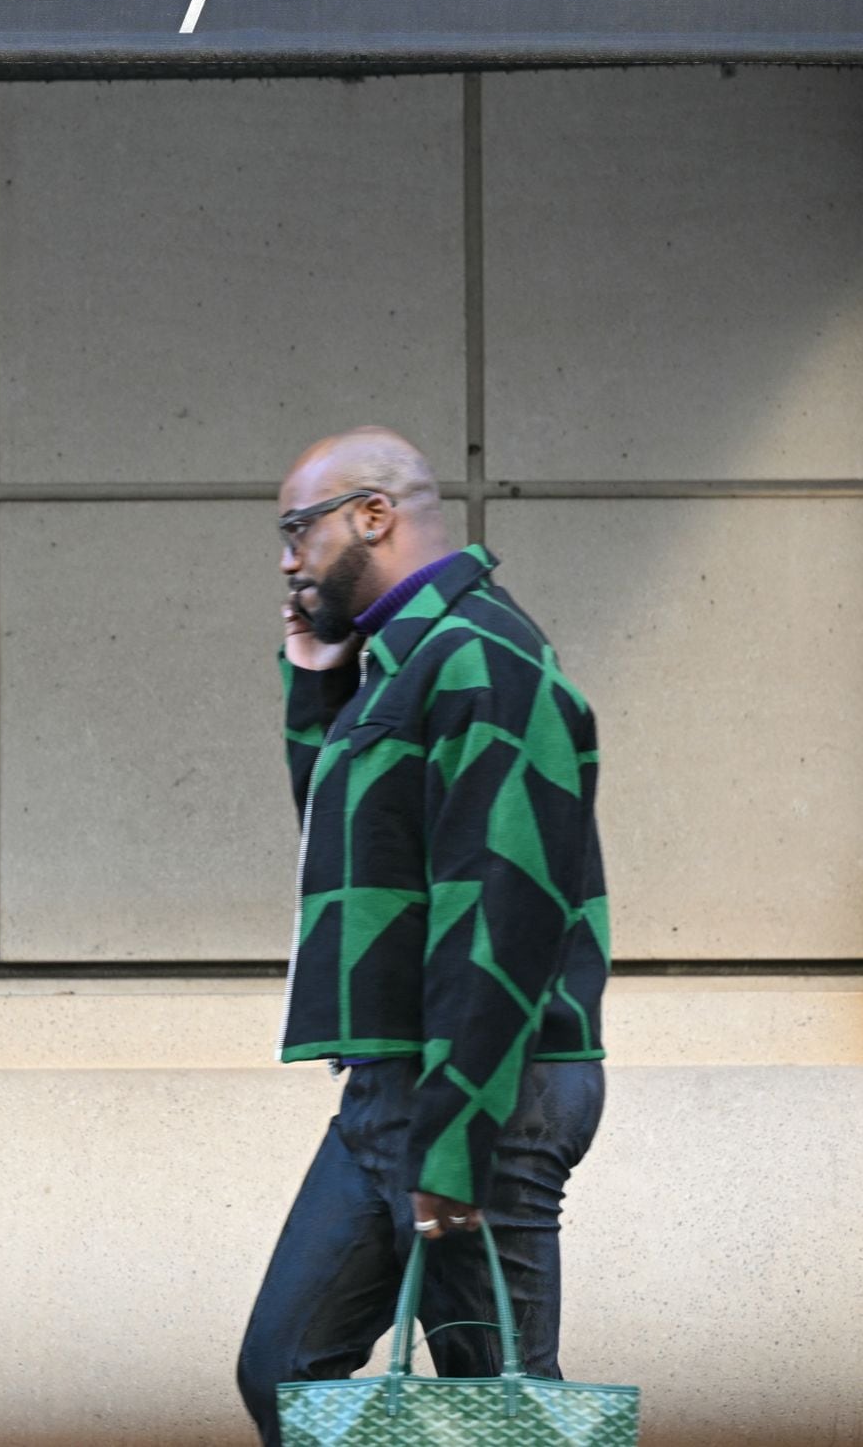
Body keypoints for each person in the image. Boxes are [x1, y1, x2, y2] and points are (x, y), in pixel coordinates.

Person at [236, 426, 612, 1447]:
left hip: (487, 1089)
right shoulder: (399, 665)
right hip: (396, 1088)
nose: (286, 557)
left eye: (297, 529)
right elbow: (353, 861)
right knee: (283, 1372)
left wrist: (457, 1138)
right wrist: (316, 681)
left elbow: (501, 907)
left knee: (502, 1415)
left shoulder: (484, 657)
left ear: (373, 515)